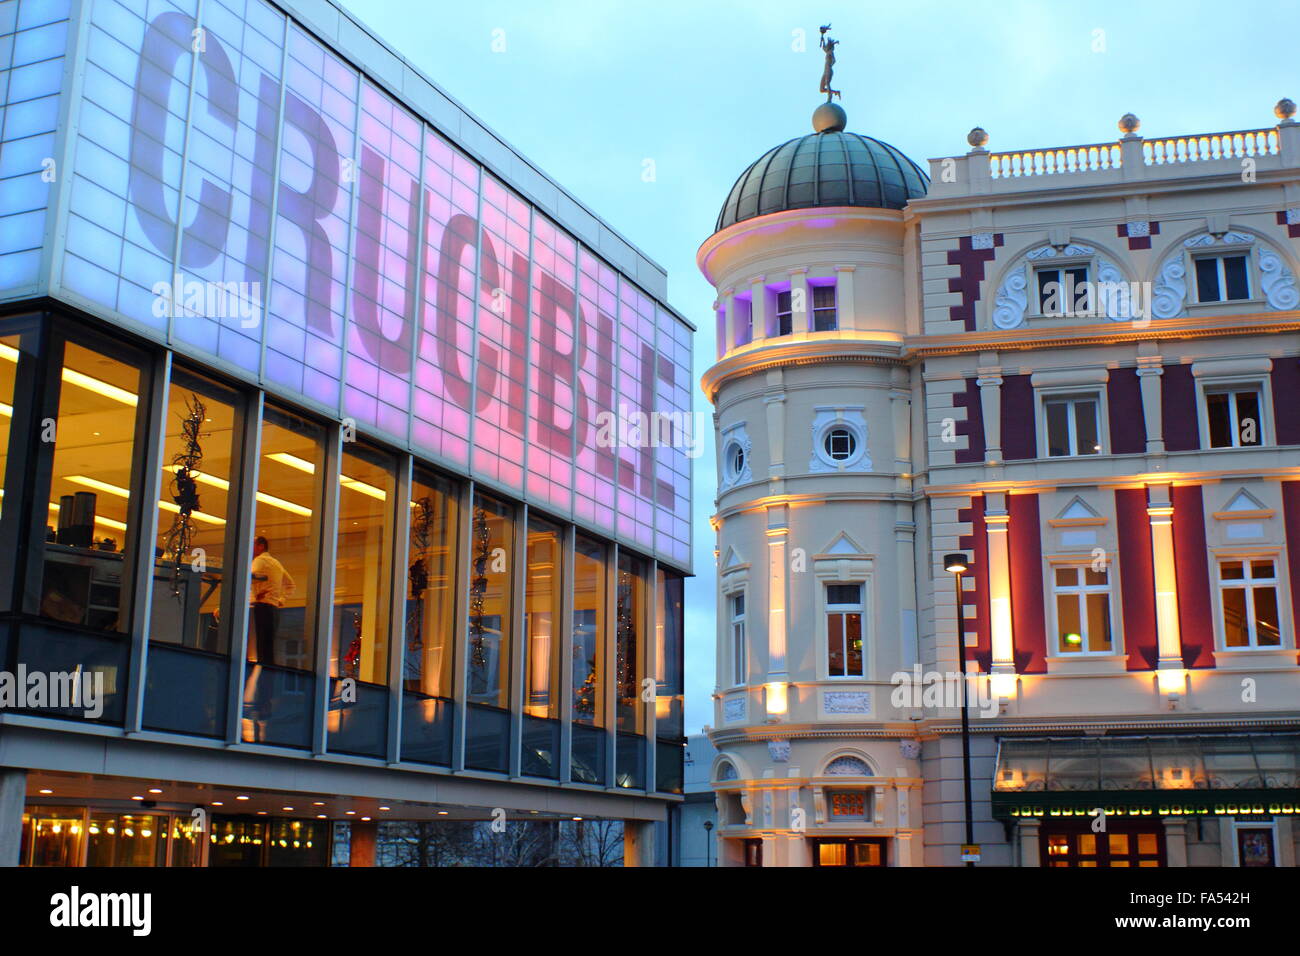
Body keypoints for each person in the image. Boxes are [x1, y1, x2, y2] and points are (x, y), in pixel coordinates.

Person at [249, 536, 295, 666]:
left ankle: (261, 672)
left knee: (261, 645)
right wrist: (280, 600)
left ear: (261, 546)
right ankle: (268, 673)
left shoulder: (259, 560)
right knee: (269, 646)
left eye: (253, 545)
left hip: (261, 606)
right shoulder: (276, 563)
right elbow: (291, 584)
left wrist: (256, 594)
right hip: (273, 608)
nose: (250, 548)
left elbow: (248, 578)